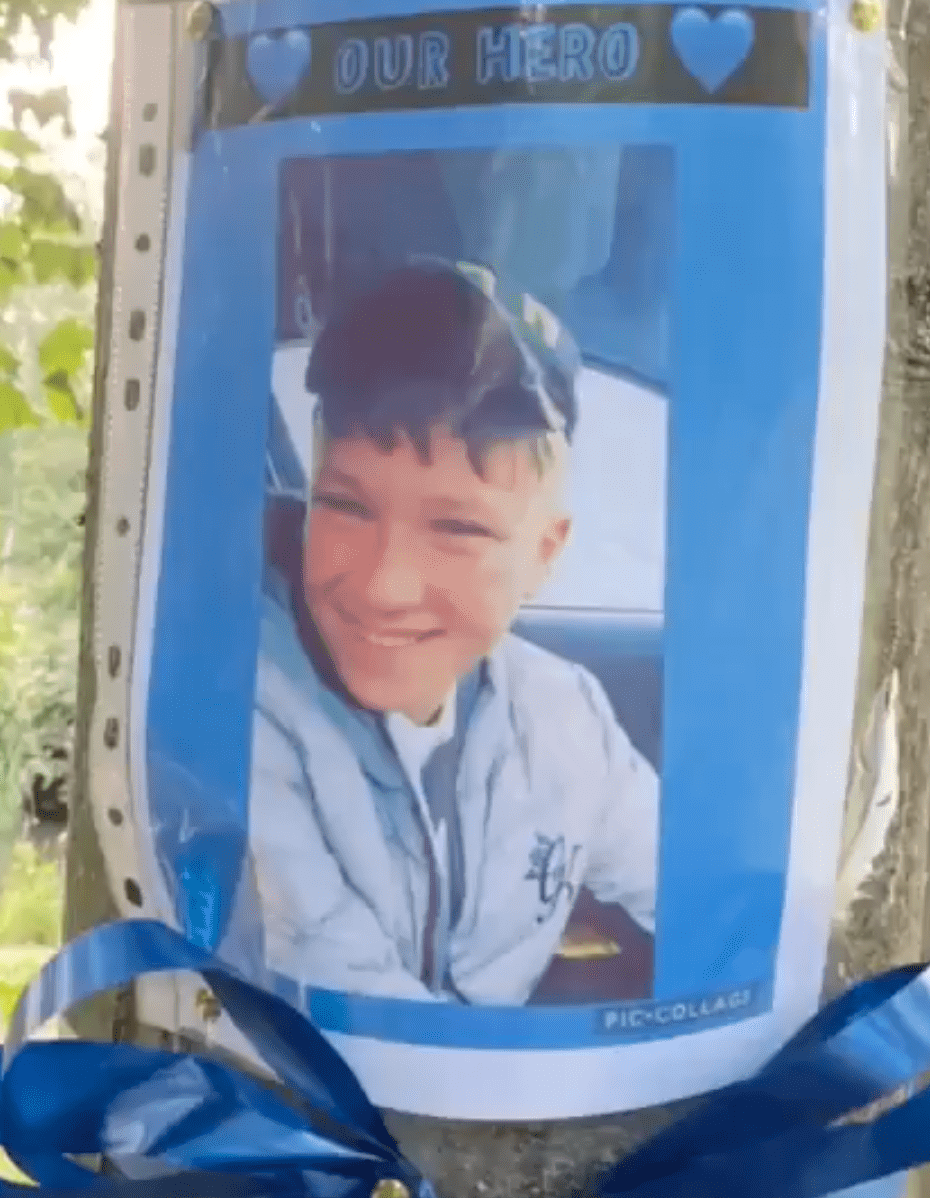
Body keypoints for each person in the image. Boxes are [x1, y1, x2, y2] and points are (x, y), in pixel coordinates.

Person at [248, 259, 660, 1005]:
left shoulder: (567, 717)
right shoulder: (250, 707)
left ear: (545, 553)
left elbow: (706, 903)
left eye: (459, 528)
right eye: (345, 507)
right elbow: (356, 1025)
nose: (384, 585)